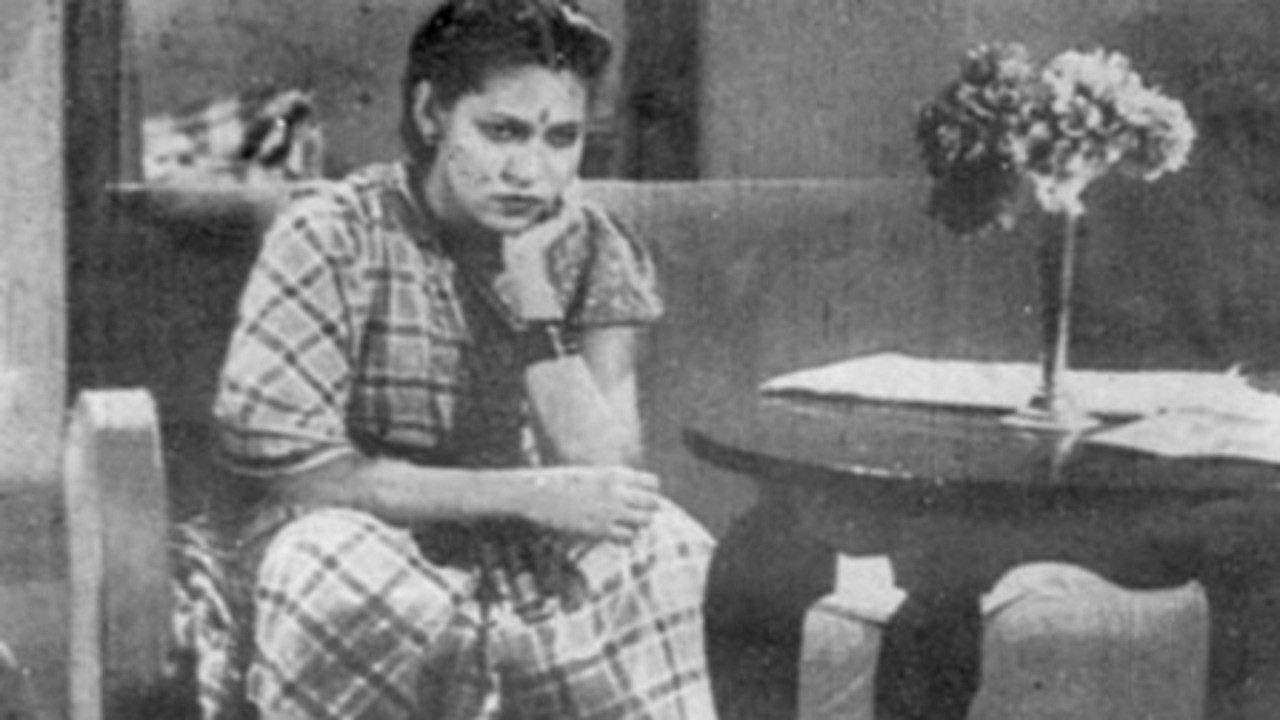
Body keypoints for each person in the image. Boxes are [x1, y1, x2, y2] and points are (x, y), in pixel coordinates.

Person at [212, 1, 716, 718]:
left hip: (523, 548)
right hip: (368, 535)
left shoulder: (592, 245)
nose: (529, 171)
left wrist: (534, 292)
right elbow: (309, 478)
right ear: (431, 114)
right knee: (326, 563)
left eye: (561, 138)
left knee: (669, 545)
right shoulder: (332, 233)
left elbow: (607, 472)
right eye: (501, 131)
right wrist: (524, 492)